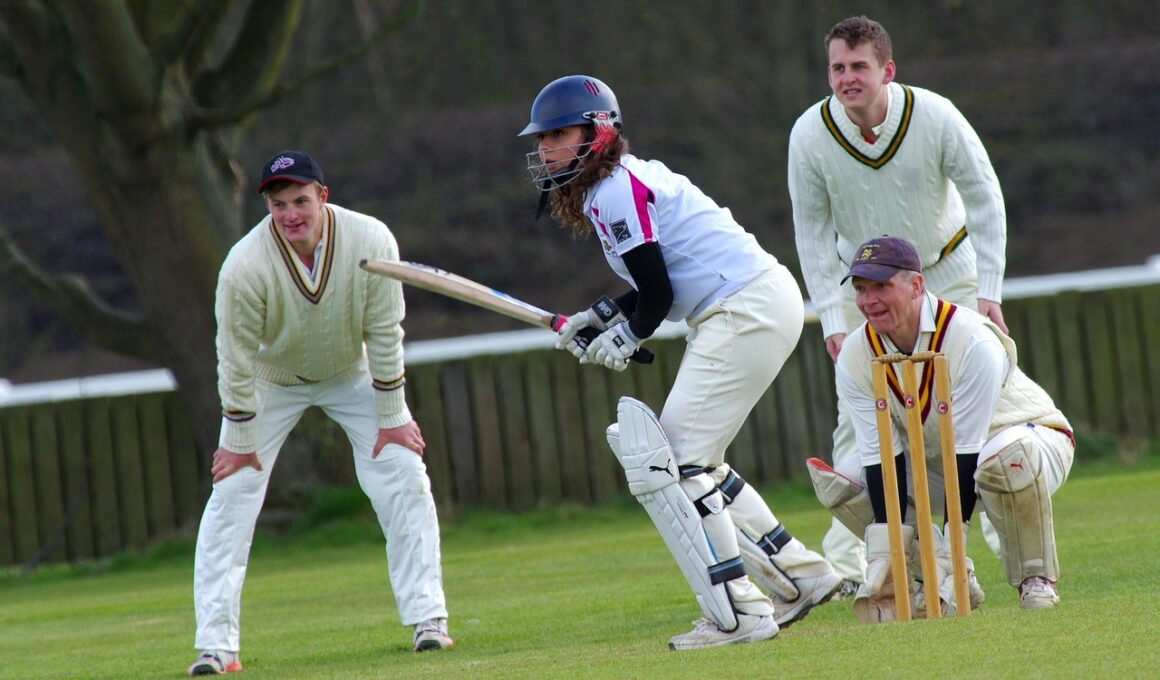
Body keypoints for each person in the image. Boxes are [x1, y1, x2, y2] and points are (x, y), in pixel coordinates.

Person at [518, 75, 840, 650]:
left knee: (678, 463)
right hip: (750, 303)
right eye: (542, 139)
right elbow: (653, 287)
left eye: (558, 135)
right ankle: (800, 577)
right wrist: (601, 318)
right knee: (698, 462)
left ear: (598, 132)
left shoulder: (615, 188)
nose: (545, 149)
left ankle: (740, 612)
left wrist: (625, 336)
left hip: (744, 307)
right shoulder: (617, 184)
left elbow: (659, 296)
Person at [188, 151, 452, 675]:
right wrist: (238, 441)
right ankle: (217, 647)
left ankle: (429, 620)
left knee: (404, 473)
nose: (291, 215)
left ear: (322, 197)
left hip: (351, 372)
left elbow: (385, 329)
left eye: (300, 201)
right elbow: (235, 356)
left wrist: (393, 414)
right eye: (279, 205)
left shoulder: (371, 238)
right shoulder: (244, 266)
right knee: (231, 496)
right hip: (271, 381)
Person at [788, 15, 1010, 594]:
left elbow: (985, 197)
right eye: (837, 68)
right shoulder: (809, 134)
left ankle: (1015, 559)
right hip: (862, 285)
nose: (847, 78)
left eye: (859, 67)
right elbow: (811, 232)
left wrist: (988, 290)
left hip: (947, 271)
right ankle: (862, 566)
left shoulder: (935, 115)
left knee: (987, 413)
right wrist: (832, 317)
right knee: (858, 417)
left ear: (887, 70)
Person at [831, 235, 1073, 622]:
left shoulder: (970, 338)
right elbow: (881, 459)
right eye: (860, 289)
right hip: (941, 462)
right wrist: (886, 548)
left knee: (1004, 457)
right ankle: (929, 577)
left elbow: (967, 450)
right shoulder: (856, 355)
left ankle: (1036, 577)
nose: (868, 300)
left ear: (916, 285)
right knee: (844, 480)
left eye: (881, 287)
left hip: (1031, 441)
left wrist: (952, 546)